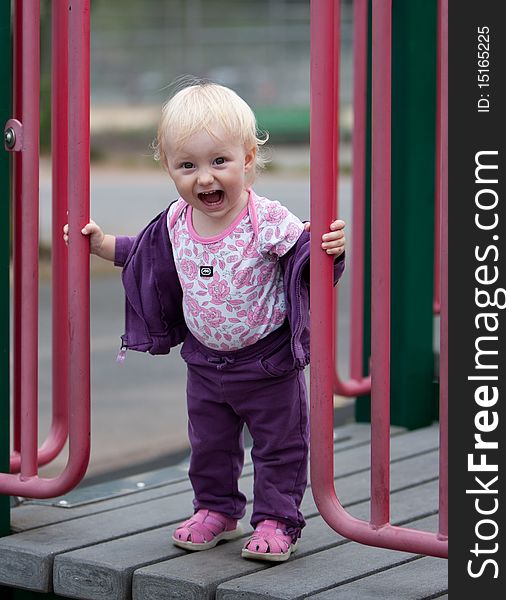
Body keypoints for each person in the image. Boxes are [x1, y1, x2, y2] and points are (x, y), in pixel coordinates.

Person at [64, 81, 345, 562]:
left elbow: (307, 261)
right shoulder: (176, 221)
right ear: (168, 168)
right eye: (187, 165)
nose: (205, 178)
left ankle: (277, 519)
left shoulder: (267, 219)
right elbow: (143, 254)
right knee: (209, 445)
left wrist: (329, 251)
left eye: (219, 162)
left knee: (279, 447)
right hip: (206, 364)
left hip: (267, 364)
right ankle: (216, 509)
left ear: (249, 158)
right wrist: (100, 244)